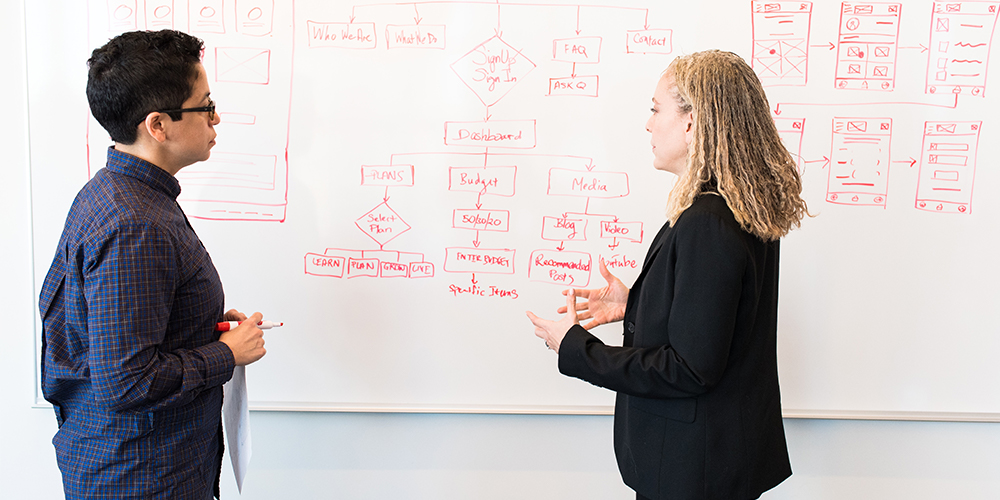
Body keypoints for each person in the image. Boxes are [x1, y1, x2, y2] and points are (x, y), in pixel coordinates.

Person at [526, 50, 809, 500]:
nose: (648, 124)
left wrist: (577, 349)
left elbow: (690, 369)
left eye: (657, 109)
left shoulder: (708, 221)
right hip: (715, 463)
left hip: (694, 472)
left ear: (693, 123)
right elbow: (716, 325)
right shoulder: (740, 208)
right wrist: (634, 303)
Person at [39, 30, 268, 500]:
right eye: (205, 106)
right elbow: (126, 381)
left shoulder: (121, 194)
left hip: (141, 466)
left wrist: (205, 327)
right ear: (158, 125)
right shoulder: (135, 225)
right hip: (142, 476)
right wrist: (227, 354)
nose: (215, 118)